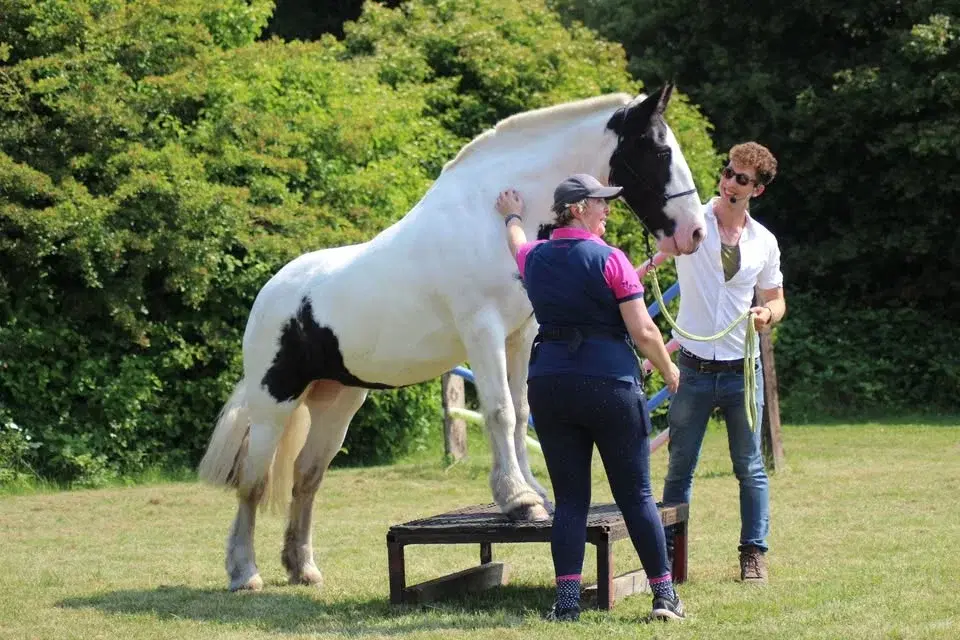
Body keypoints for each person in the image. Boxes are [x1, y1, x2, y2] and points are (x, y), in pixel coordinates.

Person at [496, 174, 686, 621]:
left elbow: (516, 243)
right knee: (636, 494)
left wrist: (511, 215)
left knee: (570, 500)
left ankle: (566, 606)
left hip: (551, 386)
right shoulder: (611, 260)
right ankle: (664, 597)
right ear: (578, 208)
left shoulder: (534, 257)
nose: (607, 210)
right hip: (609, 384)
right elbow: (642, 330)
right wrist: (670, 369)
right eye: (601, 203)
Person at [662, 142, 786, 584]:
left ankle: (753, 554)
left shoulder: (764, 241)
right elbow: (662, 240)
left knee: (749, 468)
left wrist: (766, 314)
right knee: (680, 468)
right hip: (693, 368)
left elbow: (776, 299)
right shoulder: (692, 219)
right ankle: (668, 562)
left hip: (740, 370)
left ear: (758, 190)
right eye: (728, 172)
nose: (730, 181)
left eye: (742, 179)